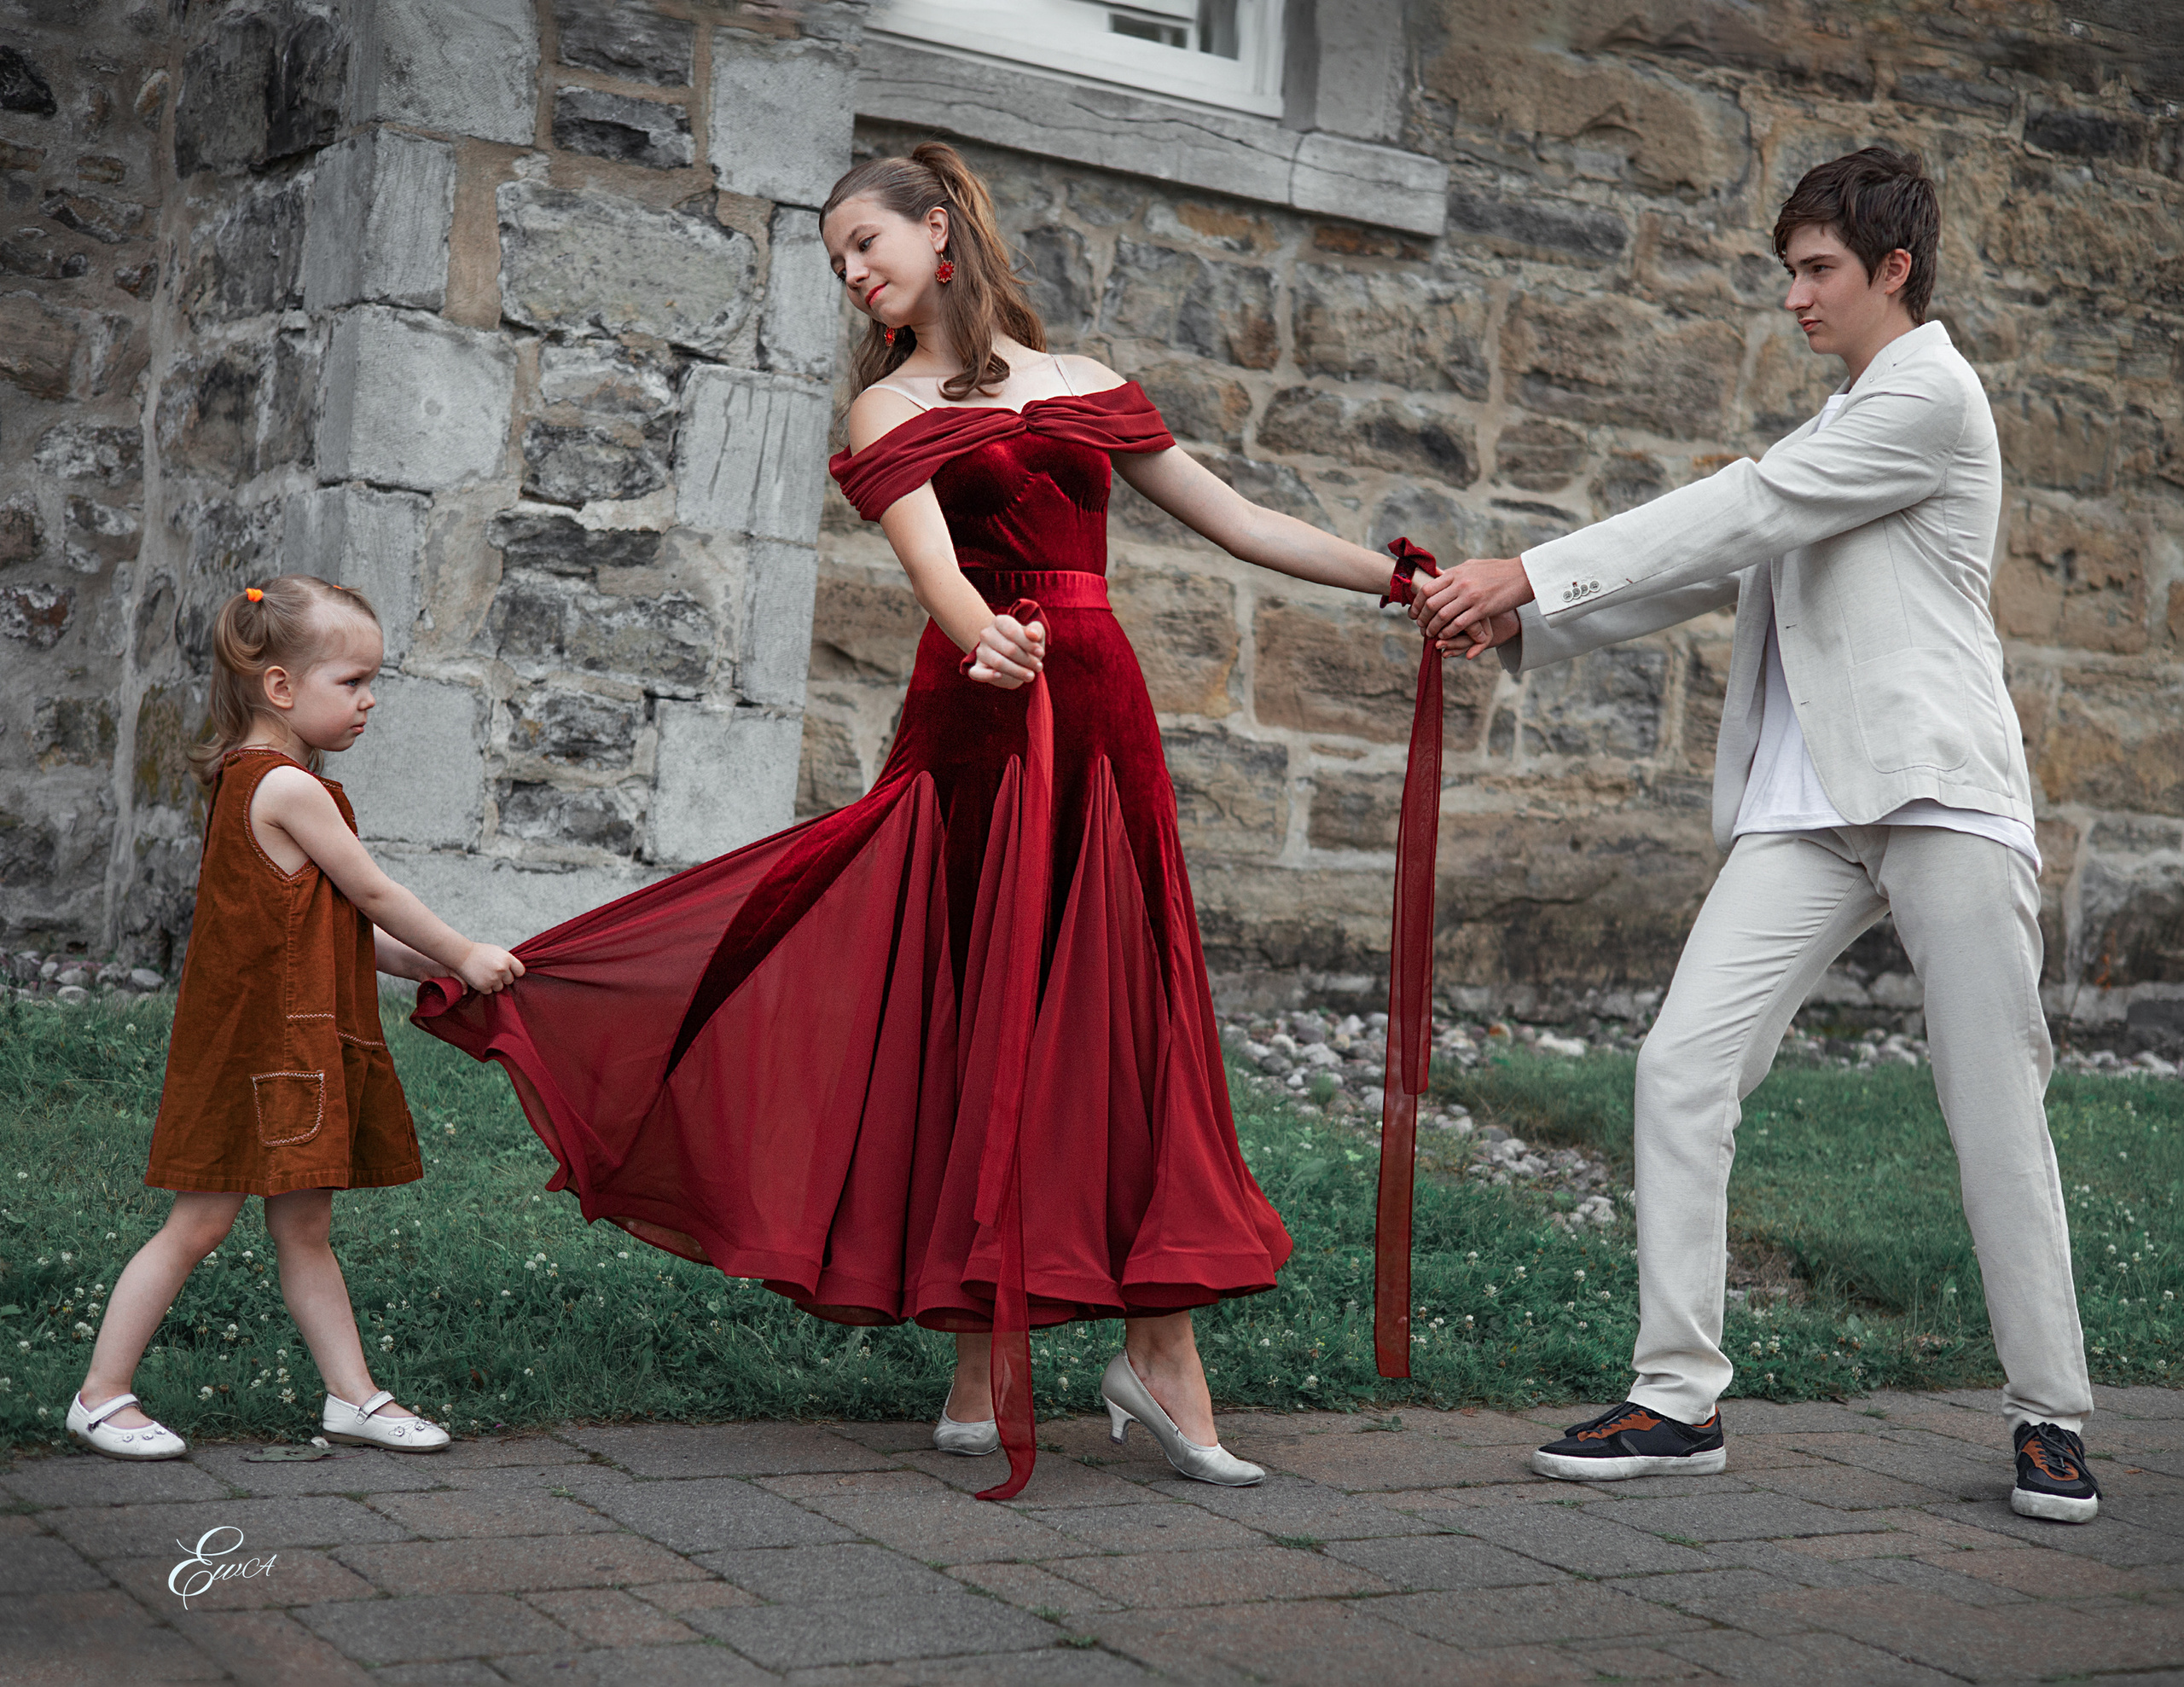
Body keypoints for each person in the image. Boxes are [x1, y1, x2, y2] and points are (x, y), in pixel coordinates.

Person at [412, 142, 1443, 1499]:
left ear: (937, 227)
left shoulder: (1081, 382)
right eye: (836, 260)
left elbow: (1238, 520)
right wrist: (984, 642)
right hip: (982, 725)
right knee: (984, 1021)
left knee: (1123, 1022)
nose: (852, 274)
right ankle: (1001, 1362)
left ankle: (1102, 1360)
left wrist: (1404, 582)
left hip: (1103, 726)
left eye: (863, 244)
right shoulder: (885, 408)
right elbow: (937, 570)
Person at [1416, 147, 2102, 1523]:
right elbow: (1736, 555)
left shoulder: (1928, 393)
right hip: (1807, 808)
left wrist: (1532, 566)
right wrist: (1530, 619)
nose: (1793, 296)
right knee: (1680, 1066)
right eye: (1789, 269)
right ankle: (1677, 1397)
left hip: (1939, 795)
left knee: (1992, 1102)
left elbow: (1743, 506)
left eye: (1818, 270)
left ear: (1893, 269)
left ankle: (2052, 1413)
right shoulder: (1848, 413)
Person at [66, 577, 525, 1462]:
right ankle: (100, 1393)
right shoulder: (286, 788)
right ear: (281, 687)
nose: (370, 698)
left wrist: (434, 963)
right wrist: (463, 952)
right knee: (197, 1222)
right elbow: (377, 892)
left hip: (285, 1052)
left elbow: (345, 926)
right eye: (351, 681)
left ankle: (353, 1396)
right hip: (258, 1054)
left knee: (303, 1228)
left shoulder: (263, 783)